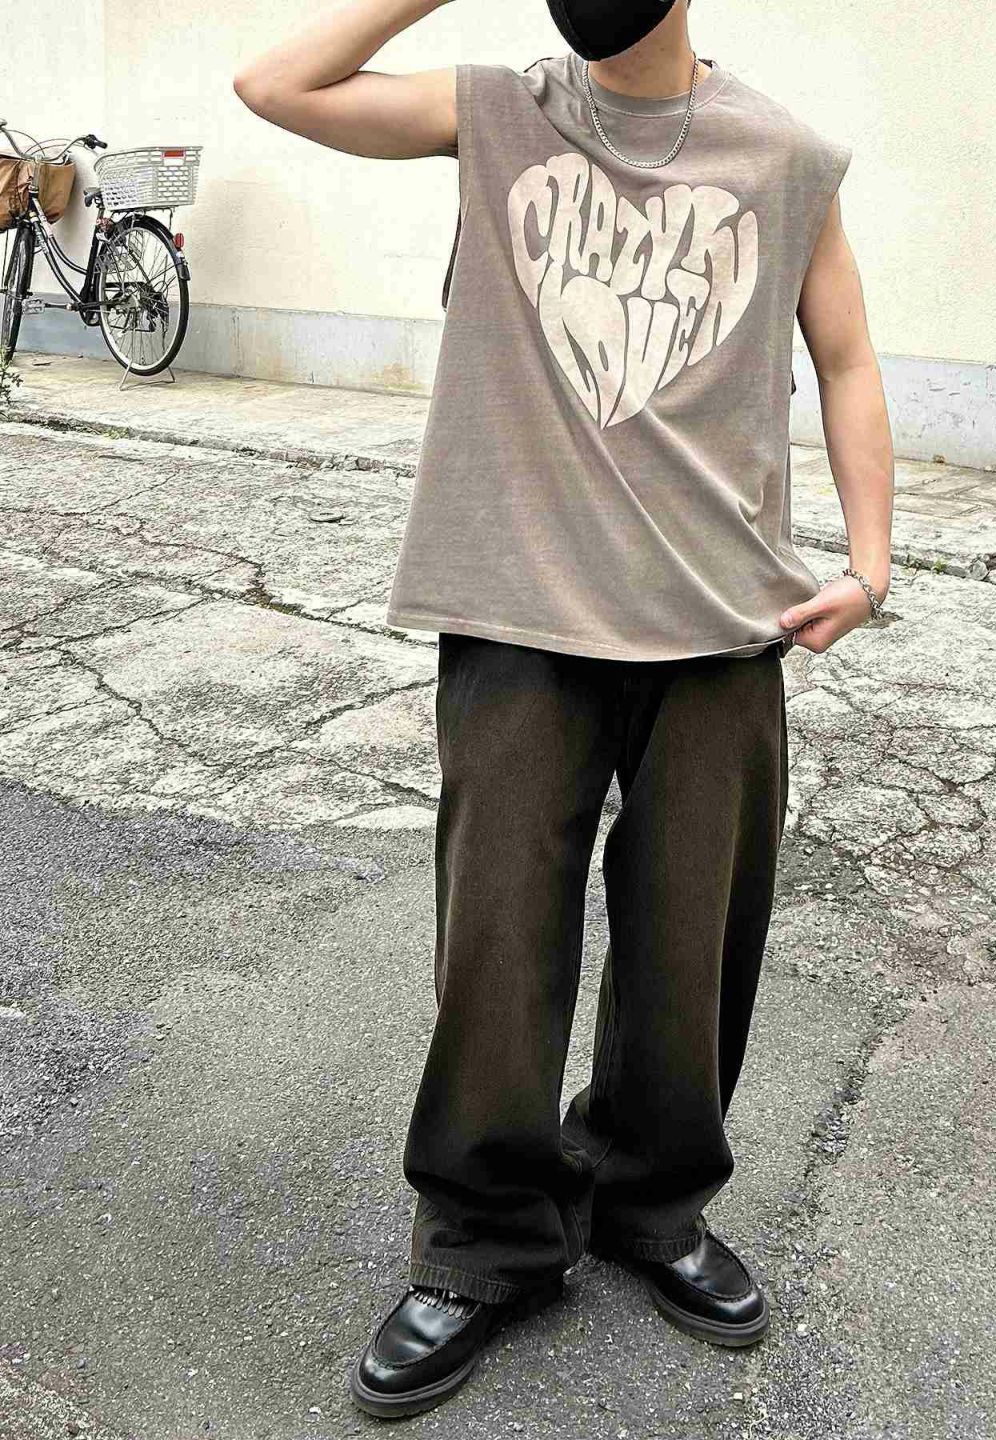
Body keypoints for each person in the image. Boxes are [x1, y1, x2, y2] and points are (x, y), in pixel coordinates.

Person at [233, 0, 894, 1419]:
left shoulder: (782, 154)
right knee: (496, 944)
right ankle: (486, 1242)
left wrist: (871, 559)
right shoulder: (495, 110)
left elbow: (846, 355)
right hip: (518, 611)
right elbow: (273, 85)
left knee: (690, 945)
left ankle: (653, 1204)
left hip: (718, 623)